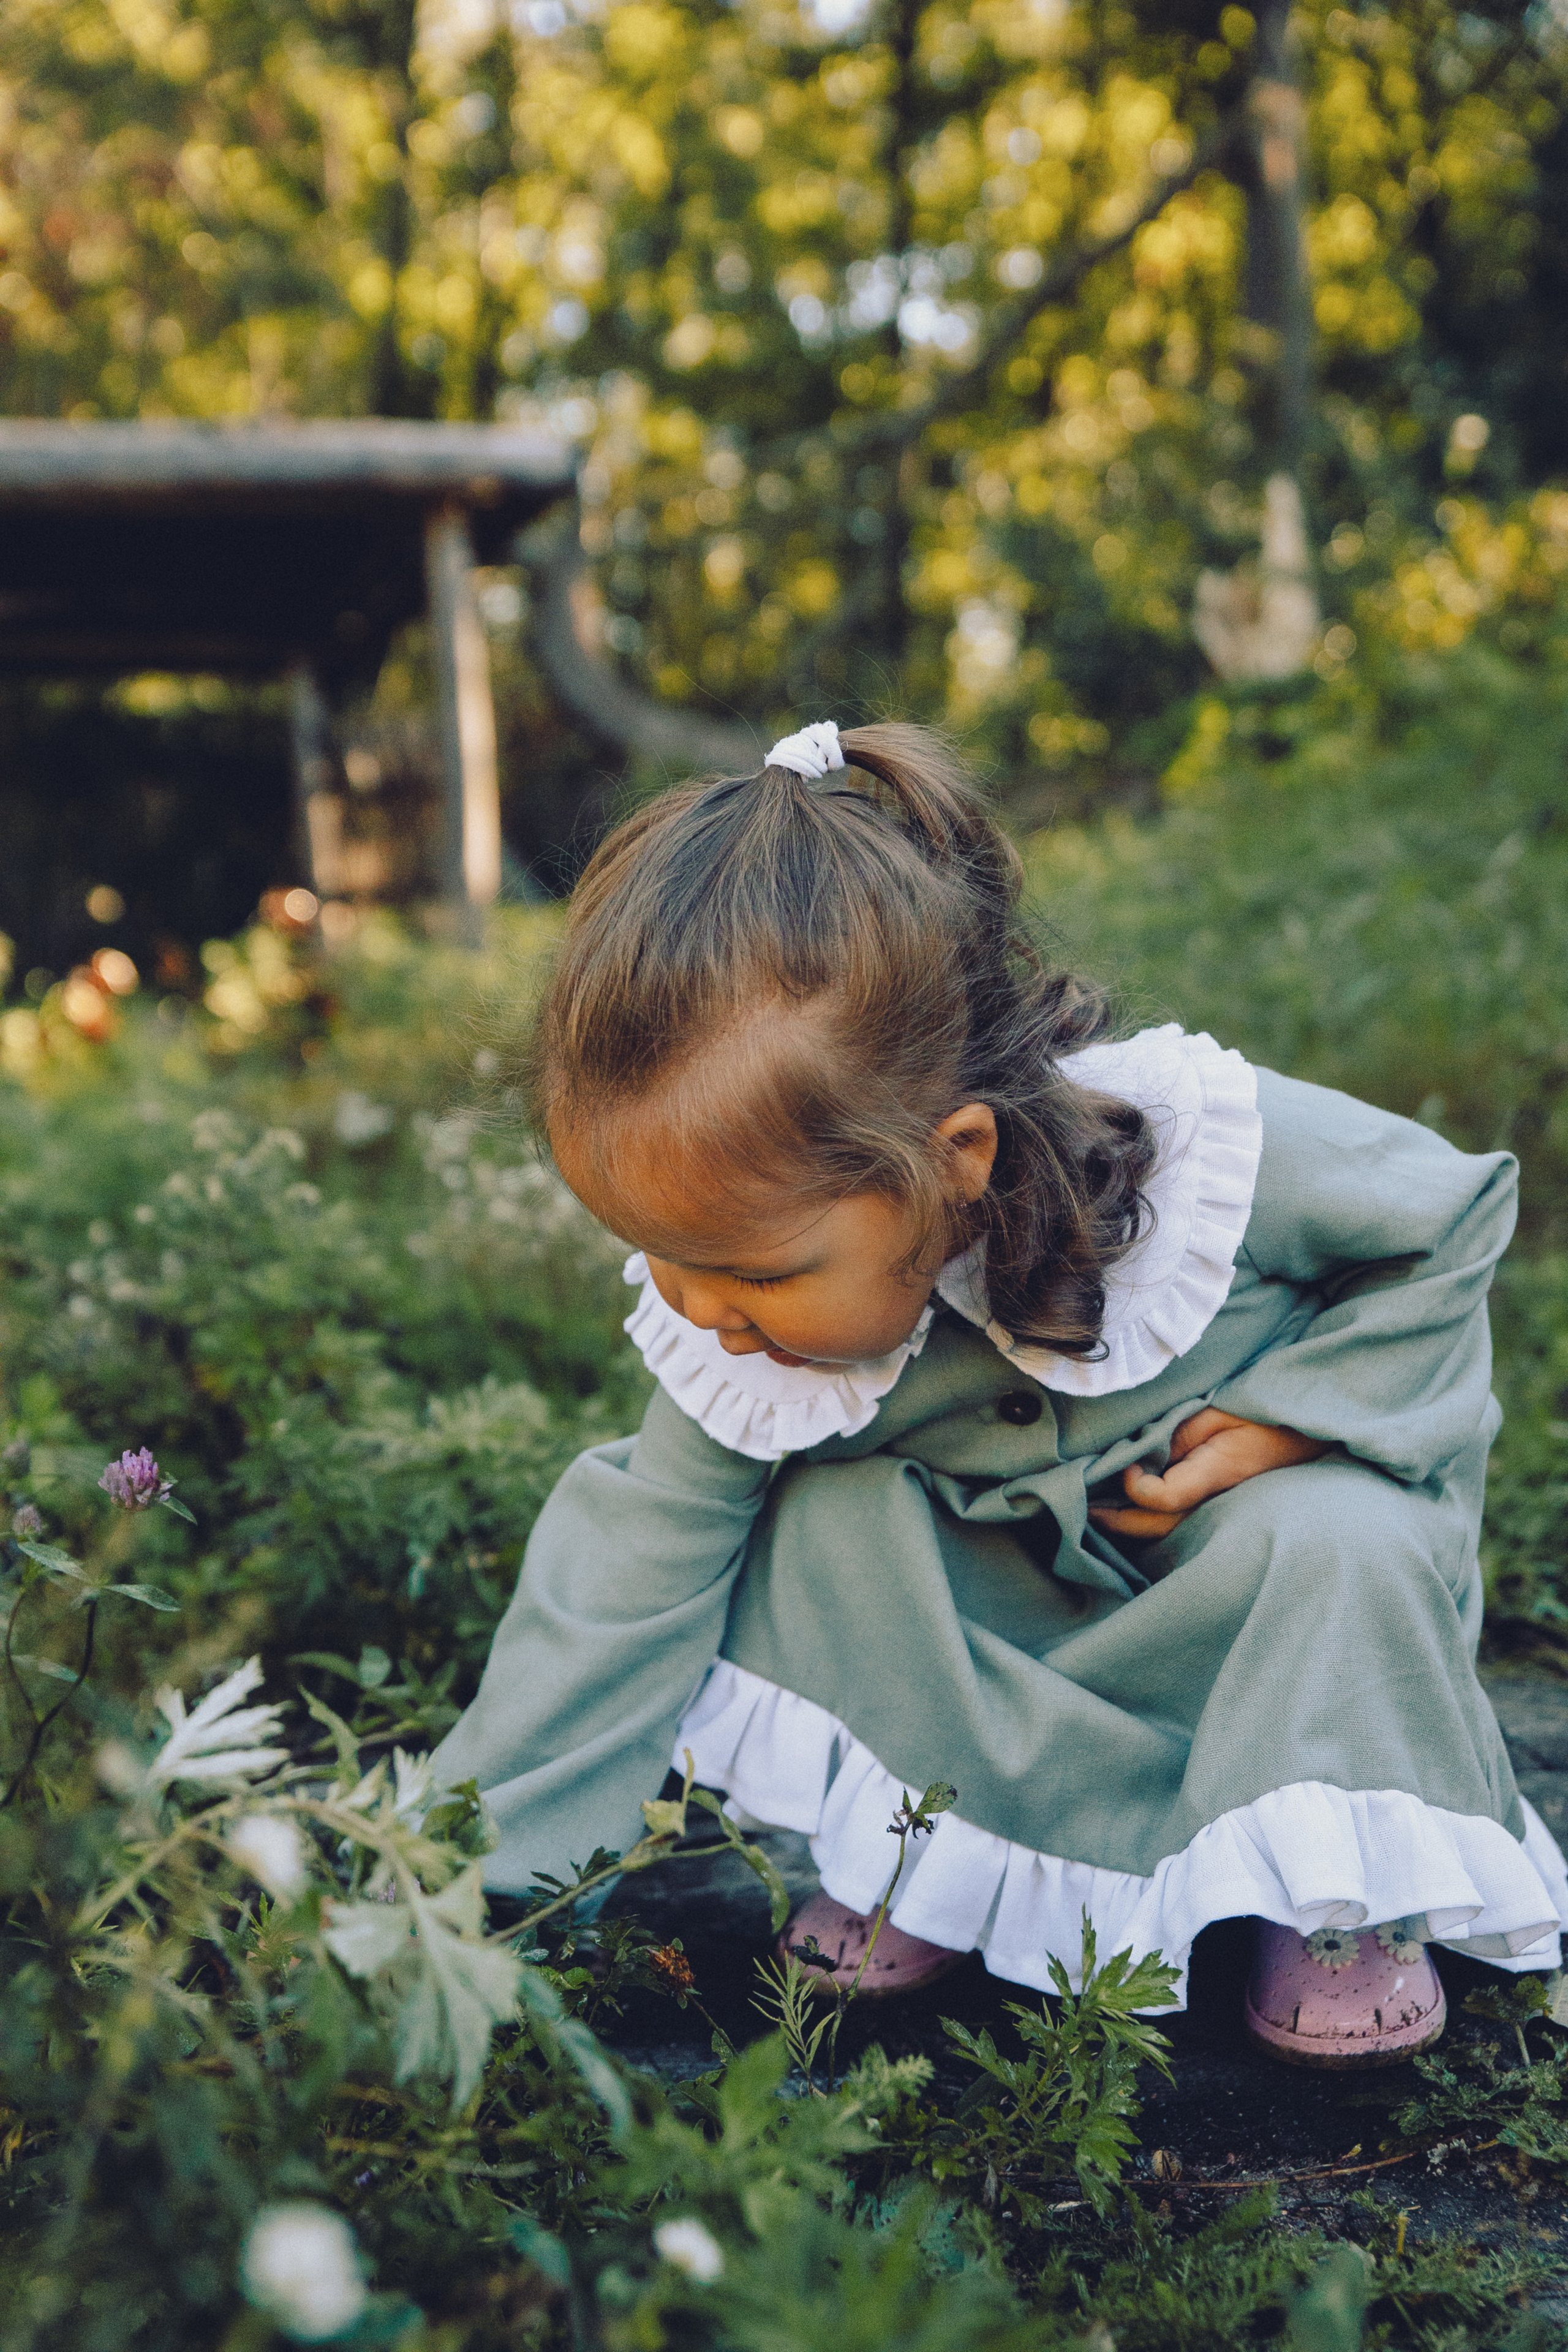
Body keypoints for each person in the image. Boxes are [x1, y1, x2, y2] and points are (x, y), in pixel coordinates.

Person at [429, 718, 1567, 2068]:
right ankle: (936, 1860)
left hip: (1232, 1634)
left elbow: (1444, 1225)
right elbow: (621, 1579)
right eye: (662, 1257)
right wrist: (464, 1864)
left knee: (1336, 1539)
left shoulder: (1193, 1161)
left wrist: (1306, 1418)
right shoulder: (742, 1343)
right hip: (1007, 1661)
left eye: (750, 1267)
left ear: (952, 1159)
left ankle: (1331, 1894)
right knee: (822, 1525)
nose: (696, 1310)